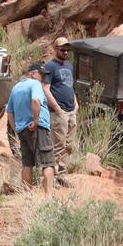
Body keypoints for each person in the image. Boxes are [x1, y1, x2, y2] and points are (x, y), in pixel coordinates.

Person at [5, 64, 54, 192]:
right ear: (32, 73)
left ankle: (27, 195)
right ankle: (47, 196)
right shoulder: (35, 84)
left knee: (27, 164)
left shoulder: (16, 87)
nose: (43, 78)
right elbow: (36, 101)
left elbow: (10, 111)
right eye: (41, 74)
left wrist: (15, 128)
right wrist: (37, 121)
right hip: (38, 128)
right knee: (48, 163)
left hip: (23, 130)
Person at [43, 37, 78, 174]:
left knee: (69, 145)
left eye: (67, 50)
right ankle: (54, 175)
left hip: (71, 110)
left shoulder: (69, 66)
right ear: (55, 49)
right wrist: (57, 108)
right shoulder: (50, 67)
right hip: (59, 112)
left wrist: (76, 104)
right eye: (63, 49)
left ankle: (62, 172)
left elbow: (70, 86)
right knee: (58, 145)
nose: (65, 52)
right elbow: (46, 88)